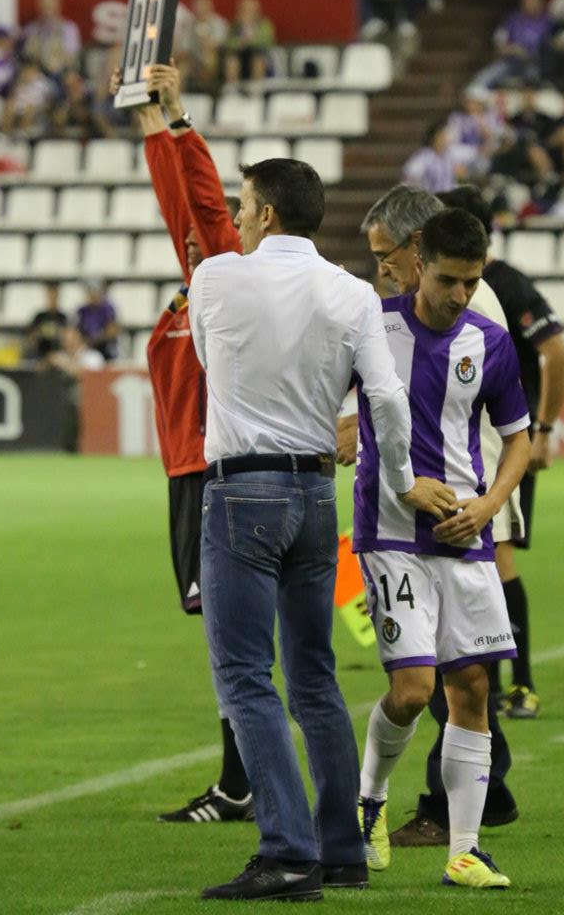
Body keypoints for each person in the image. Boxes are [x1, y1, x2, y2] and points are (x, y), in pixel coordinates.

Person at [189, 158, 449, 901]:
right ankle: (342, 848)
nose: (237, 218)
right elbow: (388, 401)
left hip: (242, 490)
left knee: (245, 675)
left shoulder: (216, 278)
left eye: (244, 206)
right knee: (314, 674)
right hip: (315, 493)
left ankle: (287, 851)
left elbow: (213, 366)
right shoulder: (353, 292)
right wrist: (400, 479)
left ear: (267, 213)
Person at [340, 183, 523, 847]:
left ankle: (464, 839)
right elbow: (364, 400)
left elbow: (511, 430)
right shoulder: (377, 323)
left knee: (469, 682)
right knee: (421, 687)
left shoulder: (483, 327)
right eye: (452, 280)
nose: (461, 294)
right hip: (392, 527)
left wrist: (490, 504)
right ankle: (376, 797)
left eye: (386, 256)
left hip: (468, 515)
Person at [108, 60, 254, 825]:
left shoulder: (225, 274)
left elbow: (195, 206)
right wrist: (148, 121)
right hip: (188, 473)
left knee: (232, 640)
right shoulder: (196, 281)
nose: (194, 241)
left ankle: (243, 783)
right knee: (225, 639)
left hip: (211, 471)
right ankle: (244, 778)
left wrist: (178, 118)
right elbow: (180, 208)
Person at [439, 185, 564, 719]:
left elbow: (557, 355)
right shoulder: (452, 288)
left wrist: (541, 431)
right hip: (468, 444)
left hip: (499, 442)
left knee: (497, 557)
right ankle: (496, 684)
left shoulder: (501, 285)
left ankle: (514, 683)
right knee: (484, 560)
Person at [474, 0, 551, 87]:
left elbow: (550, 47)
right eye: (526, 0)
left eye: (532, 0)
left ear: (540, 2)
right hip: (511, 62)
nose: (529, 3)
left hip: (536, 65)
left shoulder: (548, 21)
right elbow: (499, 39)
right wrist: (508, 48)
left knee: (533, 78)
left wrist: (527, 53)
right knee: (481, 80)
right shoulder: (513, 19)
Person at [21, 0, 81, 78]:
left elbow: (72, 56)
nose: (46, 11)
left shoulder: (68, 29)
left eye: (50, 7)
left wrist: (57, 64)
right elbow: (26, 53)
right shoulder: (31, 28)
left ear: (58, 8)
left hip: (61, 73)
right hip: (36, 72)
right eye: (44, 7)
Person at [223, 0, 275, 84]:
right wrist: (241, 42)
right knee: (231, 62)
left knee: (258, 61)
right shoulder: (235, 25)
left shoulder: (264, 24)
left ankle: (256, 90)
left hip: (259, 54)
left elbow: (266, 41)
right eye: (245, 9)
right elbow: (229, 43)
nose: (248, 12)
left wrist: (249, 40)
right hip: (239, 55)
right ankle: (232, 90)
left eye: (251, 10)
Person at [402, 120, 461, 192]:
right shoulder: (425, 156)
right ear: (435, 137)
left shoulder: (450, 155)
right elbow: (411, 171)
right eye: (443, 135)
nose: (446, 139)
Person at [76, 280, 118, 361]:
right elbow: (77, 331)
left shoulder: (107, 309)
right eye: (91, 292)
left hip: (105, 348)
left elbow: (111, 331)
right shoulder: (82, 311)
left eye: (95, 292)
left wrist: (94, 340)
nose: (93, 295)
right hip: (86, 348)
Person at [27, 282, 68, 363]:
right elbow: (31, 336)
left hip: (58, 354)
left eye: (54, 297)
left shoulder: (62, 317)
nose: (52, 300)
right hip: (40, 354)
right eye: (50, 297)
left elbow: (65, 337)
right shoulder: (40, 316)